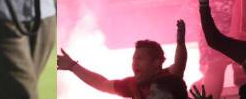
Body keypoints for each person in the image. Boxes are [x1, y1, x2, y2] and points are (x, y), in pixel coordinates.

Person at [57, 21, 188, 99]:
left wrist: (180, 43)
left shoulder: (168, 79)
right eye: (133, 59)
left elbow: (179, 65)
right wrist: (73, 66)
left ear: (156, 62)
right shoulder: (131, 85)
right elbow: (102, 83)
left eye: (140, 58)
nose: (135, 63)